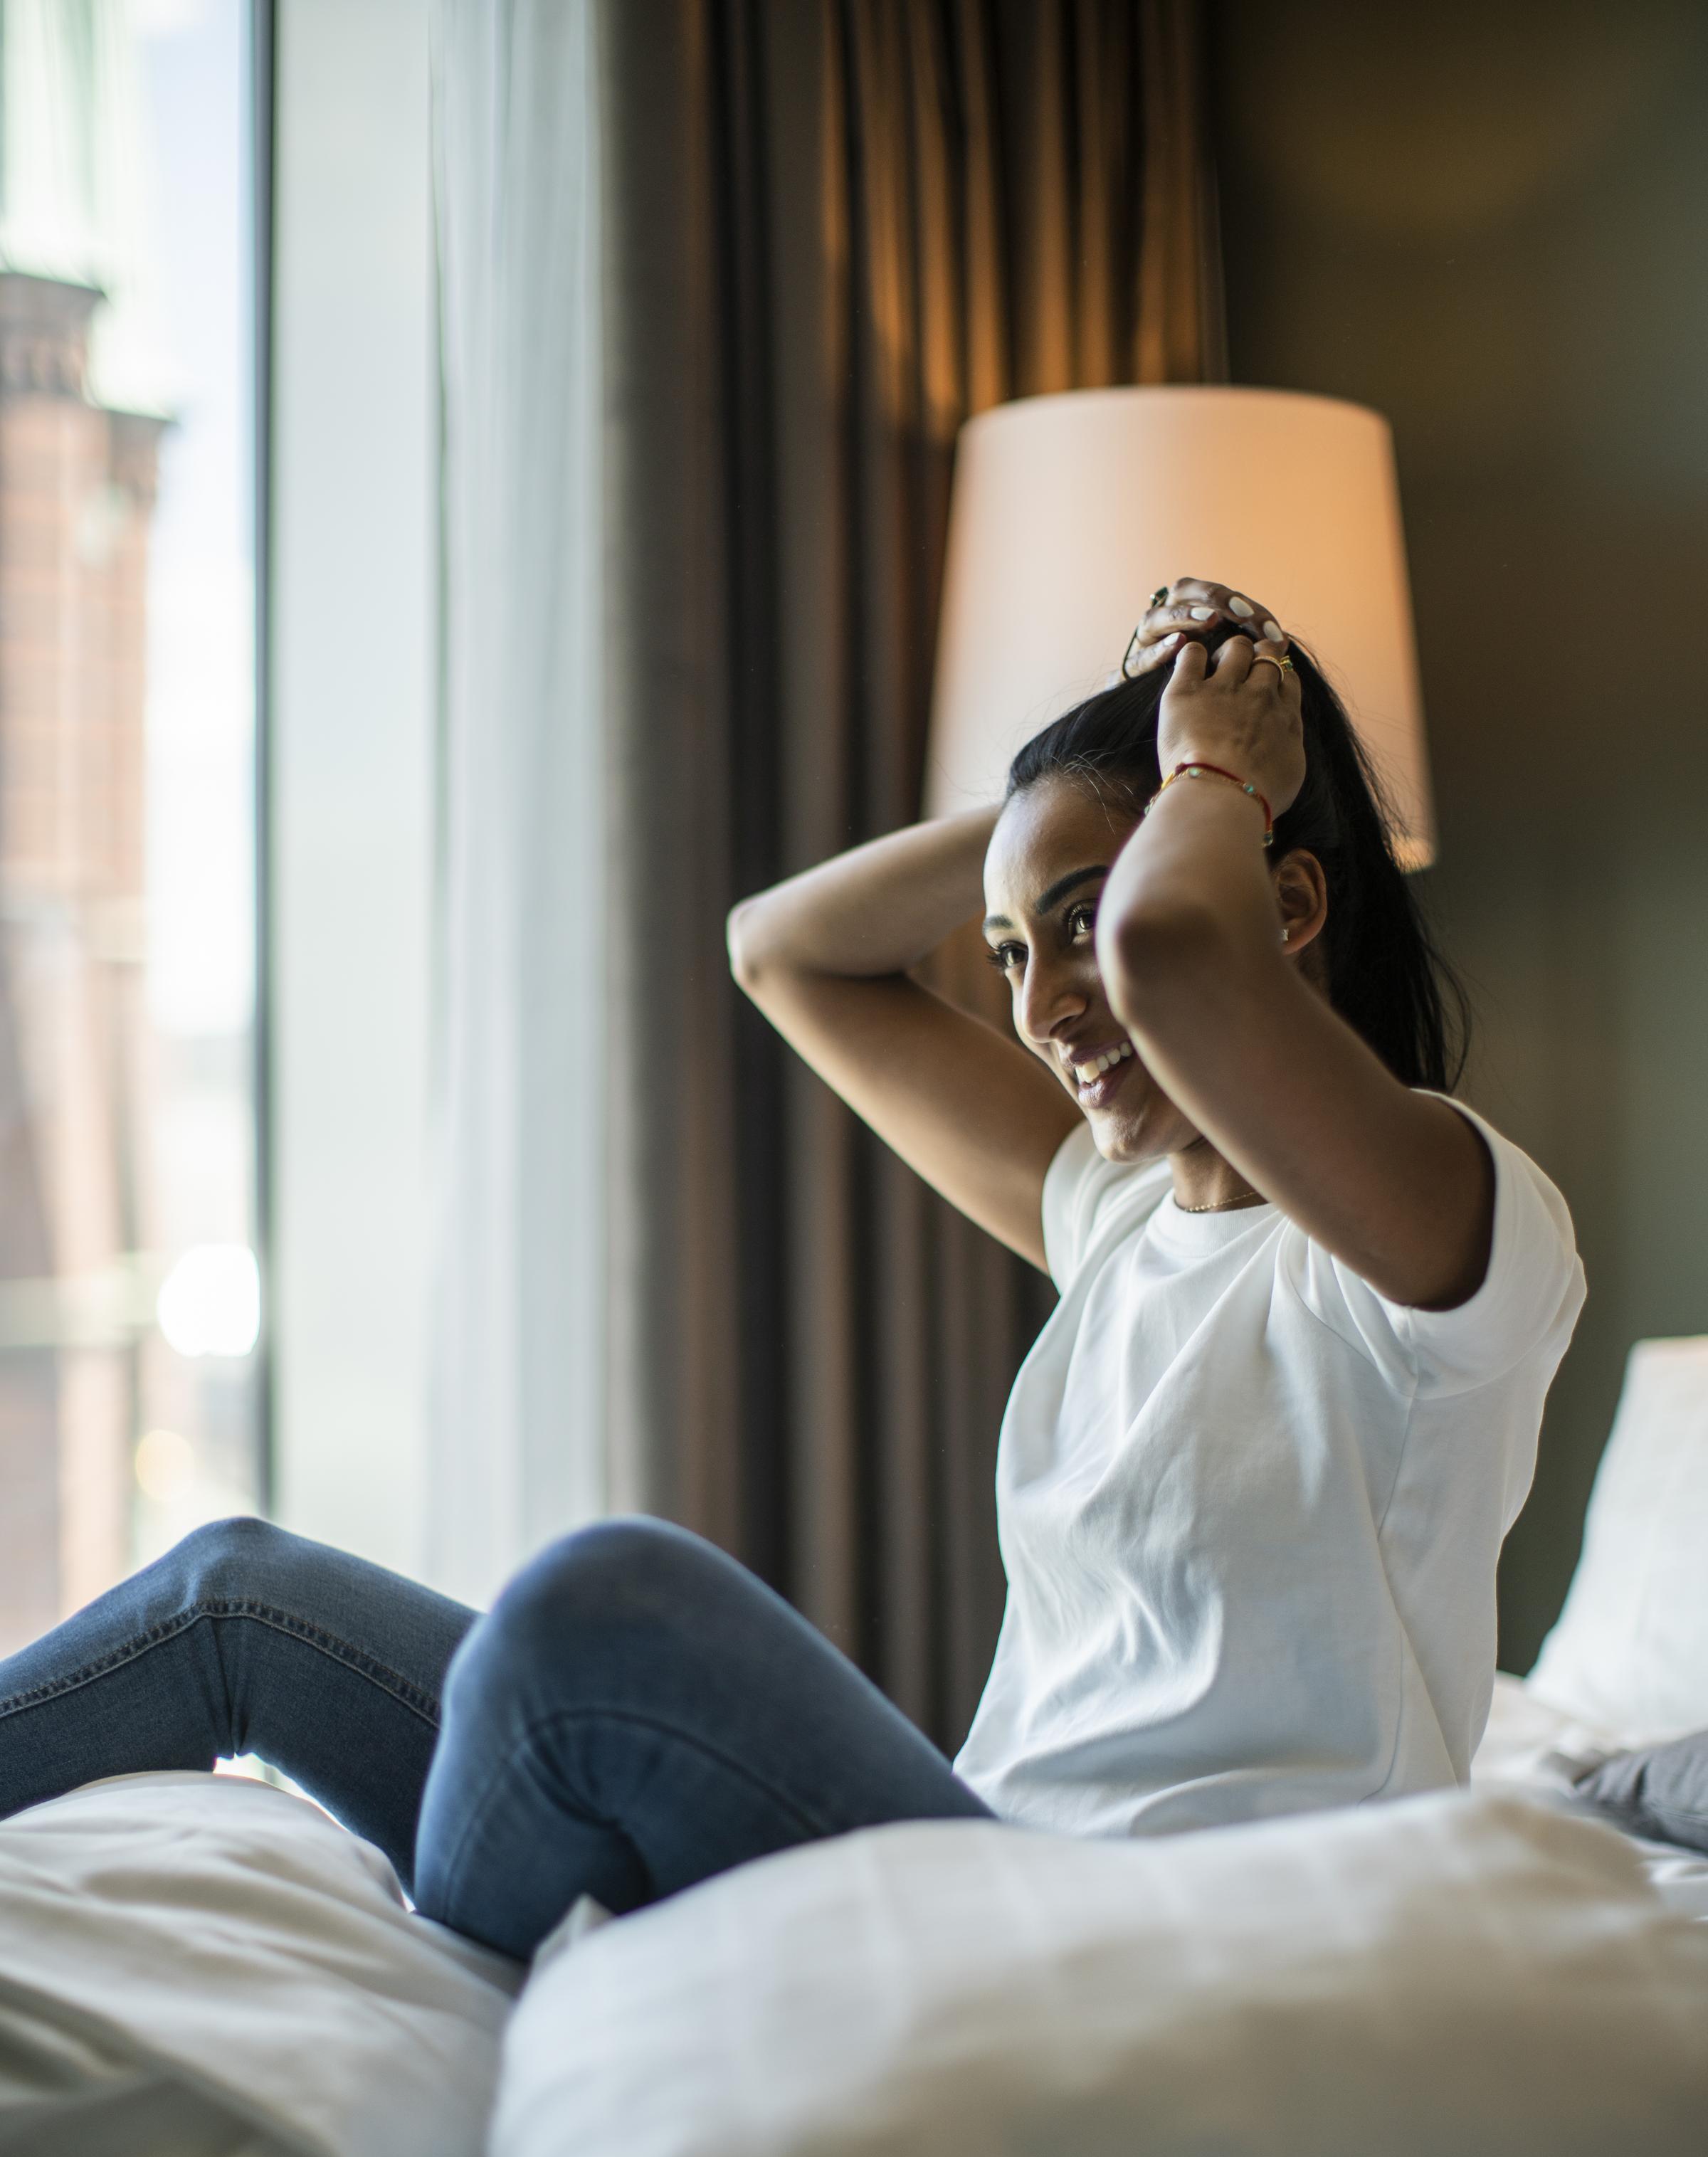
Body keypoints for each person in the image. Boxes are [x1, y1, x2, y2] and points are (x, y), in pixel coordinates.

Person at [0, 579, 1583, 1958]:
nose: (1039, 1009)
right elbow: (785, 946)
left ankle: (545, 2011)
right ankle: (572, 1994)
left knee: (601, 1607)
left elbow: (1175, 950)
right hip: (976, 1867)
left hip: (1149, 1940)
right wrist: (1089, 788)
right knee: (235, 1595)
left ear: (1287, 900)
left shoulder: (1446, 1232)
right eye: (1013, 950)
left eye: (1081, 926)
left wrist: (1207, 769)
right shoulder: (1118, 1213)